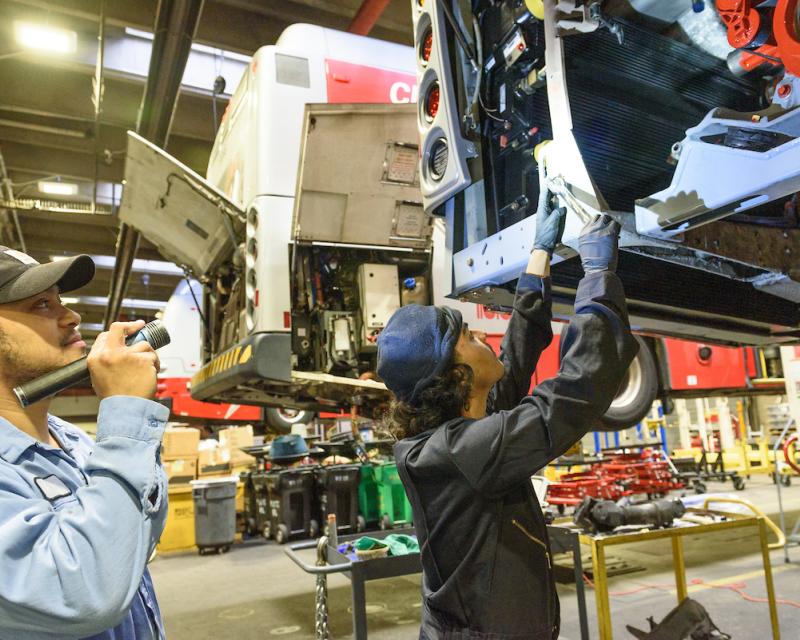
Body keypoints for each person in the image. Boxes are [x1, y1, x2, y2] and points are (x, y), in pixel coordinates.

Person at [376, 193, 638, 639]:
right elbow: (576, 393)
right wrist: (596, 279)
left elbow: (512, 364)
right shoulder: (463, 452)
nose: (479, 333)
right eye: (465, 336)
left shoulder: (452, 438)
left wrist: (539, 255)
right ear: (456, 375)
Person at [0, 247, 169, 639]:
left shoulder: (73, 439)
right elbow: (84, 594)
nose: (72, 316)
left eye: (61, 300)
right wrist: (126, 413)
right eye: (42, 304)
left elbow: (137, 540)